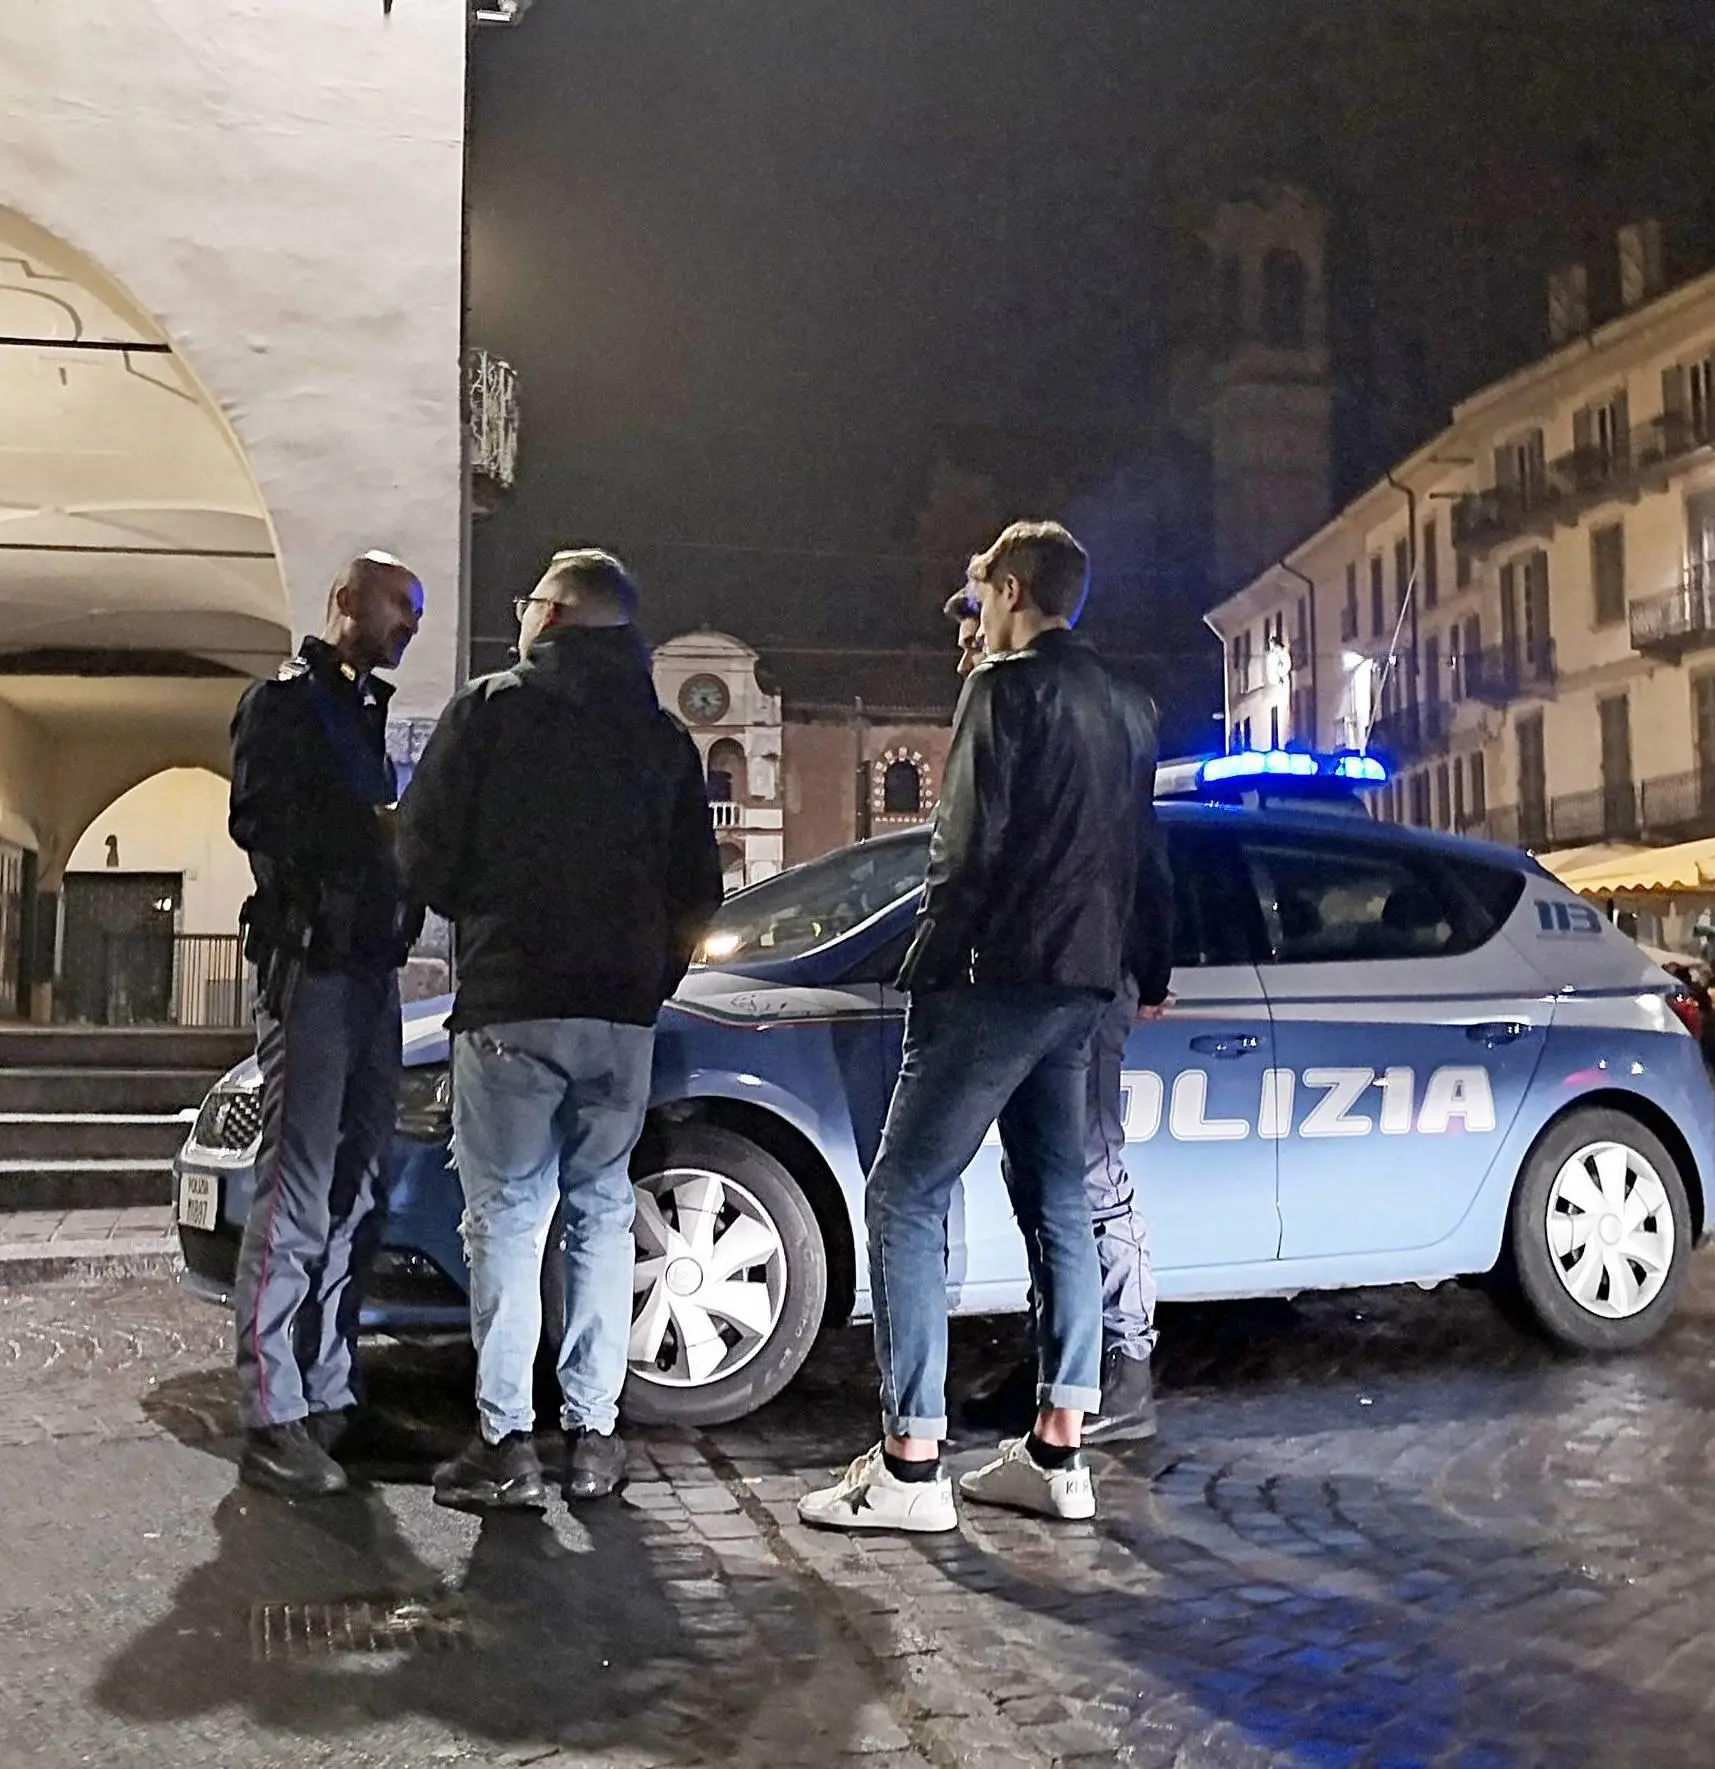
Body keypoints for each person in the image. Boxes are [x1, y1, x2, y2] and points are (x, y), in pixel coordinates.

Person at [799, 520, 1163, 1535]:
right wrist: (1150, 966)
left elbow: (965, 848)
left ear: (1009, 586)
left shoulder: (1003, 690)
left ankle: (912, 1462)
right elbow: (1147, 853)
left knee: (904, 1192)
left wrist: (929, 960)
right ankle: (1059, 1450)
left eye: (980, 591)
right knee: (1060, 1199)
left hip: (995, 976)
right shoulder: (1130, 705)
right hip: (1087, 982)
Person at [399, 548, 722, 1508]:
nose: (521, 614)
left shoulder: (489, 712)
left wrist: (485, 925)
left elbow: (423, 851)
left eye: (530, 599)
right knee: (602, 1209)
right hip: (620, 1014)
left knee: (505, 1216)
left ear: (556, 617)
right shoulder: (663, 740)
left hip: (513, 1000)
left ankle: (506, 1441)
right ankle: (594, 1435)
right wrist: (648, 979)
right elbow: (695, 891)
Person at [944, 585, 1175, 1444]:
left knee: (1084, 1171)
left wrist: (1148, 967)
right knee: (1048, 1173)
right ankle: (1065, 1367)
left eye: (974, 624)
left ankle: (1119, 1363)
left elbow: (988, 851)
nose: (965, 644)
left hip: (1066, 970)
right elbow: (1142, 850)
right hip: (1077, 967)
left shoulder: (1041, 702)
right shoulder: (1093, 708)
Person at [228, 552, 425, 1499]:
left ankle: (331, 1392)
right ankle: (273, 1412)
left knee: (358, 1186)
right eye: (400, 605)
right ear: (344, 600)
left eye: (418, 611)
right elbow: (260, 818)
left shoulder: (360, 708)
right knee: (299, 1189)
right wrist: (371, 838)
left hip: (368, 971)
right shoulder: (287, 702)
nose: (411, 624)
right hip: (312, 968)